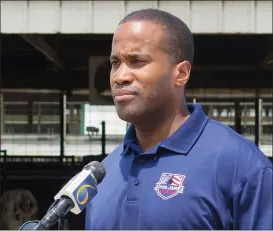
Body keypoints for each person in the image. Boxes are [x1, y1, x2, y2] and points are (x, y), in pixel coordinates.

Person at [85, 8, 272, 230]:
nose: (119, 76)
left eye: (136, 61)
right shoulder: (104, 173)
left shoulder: (242, 167)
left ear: (181, 73)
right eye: (115, 63)